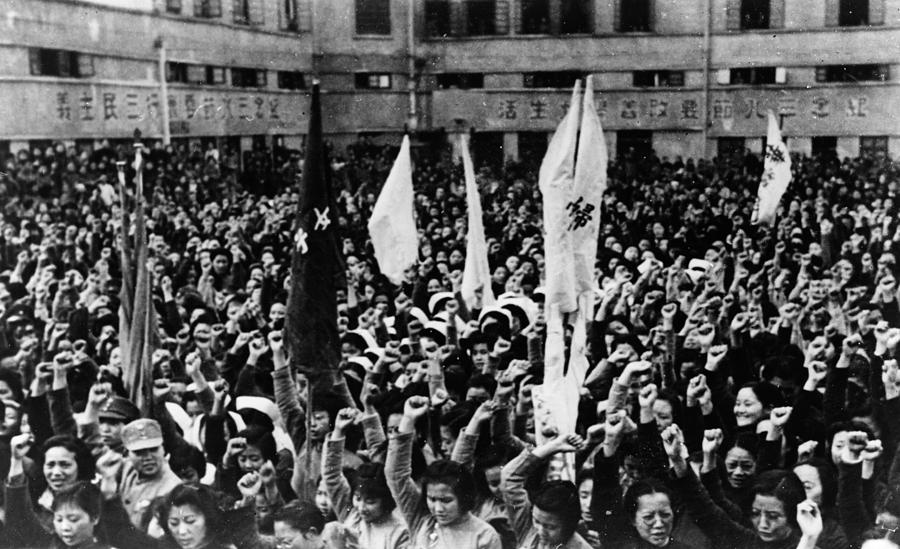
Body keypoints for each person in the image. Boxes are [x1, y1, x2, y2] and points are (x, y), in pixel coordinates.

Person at [385, 395, 502, 549]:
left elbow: (459, 466)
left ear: (463, 496)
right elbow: (396, 475)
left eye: (446, 500)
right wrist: (407, 420)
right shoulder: (422, 520)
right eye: (432, 500)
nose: (438, 509)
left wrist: (475, 422)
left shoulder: (484, 535)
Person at [322, 407, 409, 549]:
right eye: (357, 498)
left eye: (370, 501)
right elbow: (331, 477)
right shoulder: (352, 514)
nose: (361, 508)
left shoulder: (400, 533)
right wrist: (338, 431)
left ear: (387, 501)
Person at [500, 431, 593, 548]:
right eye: (536, 521)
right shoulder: (529, 528)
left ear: (568, 526)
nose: (541, 531)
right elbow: (509, 478)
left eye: (550, 527)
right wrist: (553, 447)